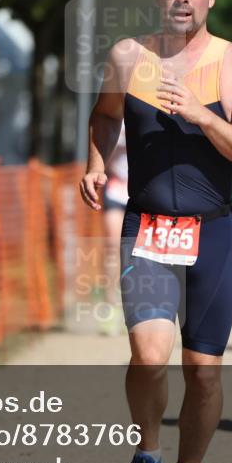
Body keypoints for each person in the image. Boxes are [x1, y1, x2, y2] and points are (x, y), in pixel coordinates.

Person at [79, 0, 232, 463]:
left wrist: (204, 115)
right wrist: (94, 162)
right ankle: (146, 452)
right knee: (148, 355)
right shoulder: (128, 56)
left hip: (211, 234)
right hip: (148, 228)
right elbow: (106, 114)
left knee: (203, 371)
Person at [100, 124, 130, 335]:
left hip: (146, 191)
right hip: (117, 188)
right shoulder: (116, 118)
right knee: (113, 248)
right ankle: (110, 308)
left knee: (140, 252)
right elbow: (101, 160)